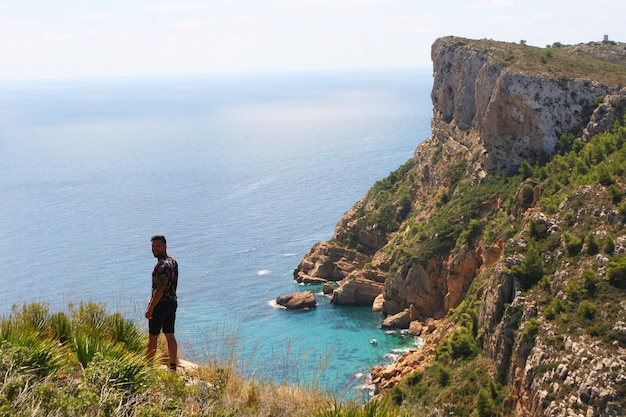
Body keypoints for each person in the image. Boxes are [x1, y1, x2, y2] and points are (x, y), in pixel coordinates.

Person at [145, 235, 178, 372]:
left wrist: (151, 307)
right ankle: (173, 367)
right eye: (153, 246)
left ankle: (148, 368)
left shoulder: (161, 266)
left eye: (158, 246)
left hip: (160, 305)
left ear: (165, 246)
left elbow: (160, 288)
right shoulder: (173, 261)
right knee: (170, 335)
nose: (154, 249)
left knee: (153, 337)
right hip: (172, 303)